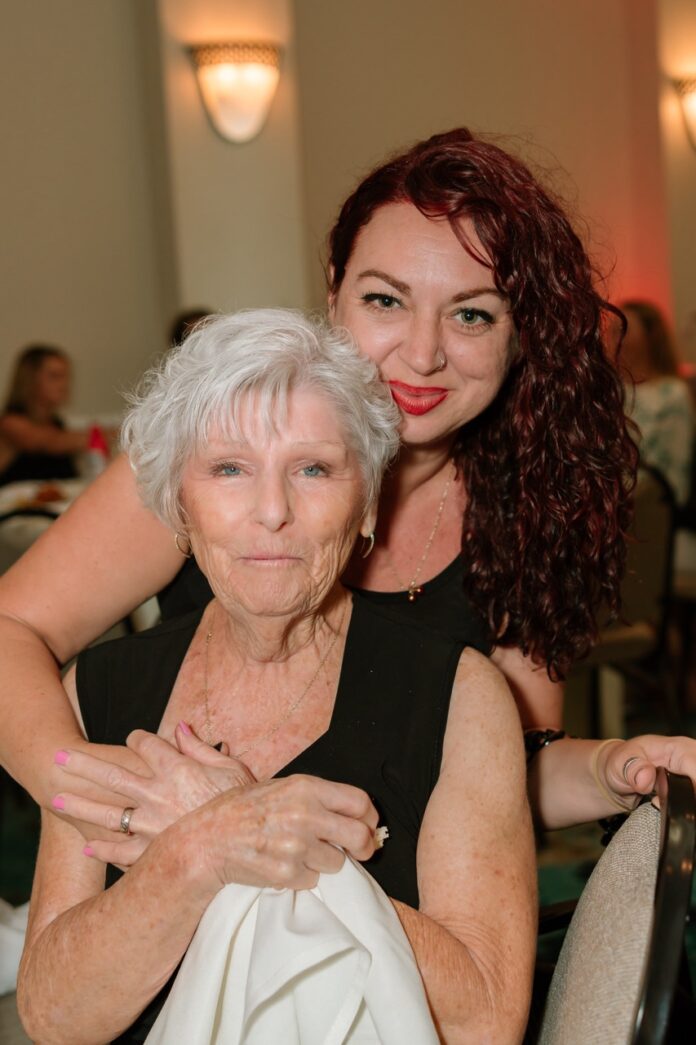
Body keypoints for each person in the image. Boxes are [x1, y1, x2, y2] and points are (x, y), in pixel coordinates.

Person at [1, 128, 695, 841]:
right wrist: (91, 792)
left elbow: (504, 777)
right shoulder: (220, 454)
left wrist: (617, 762)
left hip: (386, 918)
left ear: (519, 338)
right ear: (334, 292)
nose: (422, 354)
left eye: (471, 314)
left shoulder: (528, 506)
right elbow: (10, 629)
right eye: (386, 302)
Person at [16, 311, 536, 1044]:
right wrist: (200, 852)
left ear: (366, 506)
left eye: (314, 469)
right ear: (178, 505)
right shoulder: (98, 690)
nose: (272, 512)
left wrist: (264, 834)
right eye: (229, 468)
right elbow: (55, 1015)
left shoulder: (458, 694)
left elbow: (486, 1018)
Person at [620, 299, 694, 507]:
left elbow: (673, 479)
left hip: (647, 516)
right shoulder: (606, 392)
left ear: (649, 337)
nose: (613, 337)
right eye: (611, 330)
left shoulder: (671, 394)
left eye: (624, 329)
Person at [0, 344, 87, 485]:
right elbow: (47, 443)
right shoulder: (10, 423)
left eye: (66, 376)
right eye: (55, 376)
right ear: (30, 380)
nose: (64, 384)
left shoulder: (57, 423)